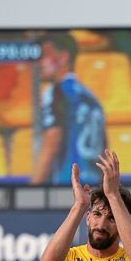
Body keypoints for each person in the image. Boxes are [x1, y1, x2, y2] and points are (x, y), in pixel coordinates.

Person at [30, 33, 106, 187]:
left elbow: (52, 142)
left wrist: (32, 188)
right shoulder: (91, 98)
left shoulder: (55, 92)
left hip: (69, 188)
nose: (39, 63)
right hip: (96, 188)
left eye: (44, 56)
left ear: (63, 57)